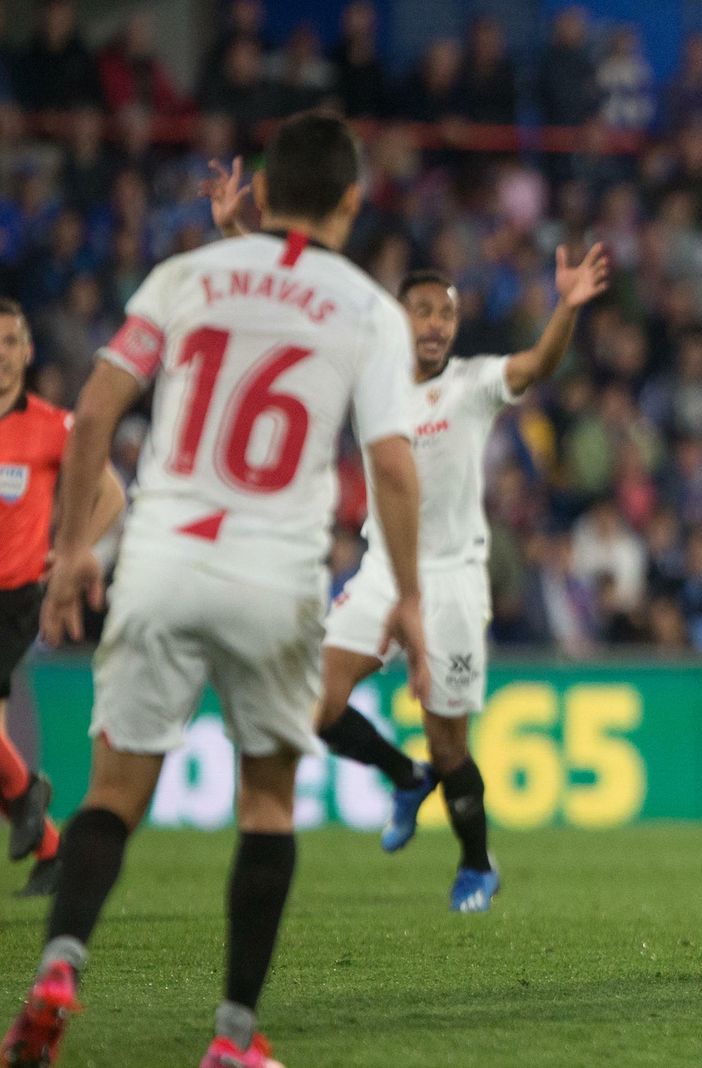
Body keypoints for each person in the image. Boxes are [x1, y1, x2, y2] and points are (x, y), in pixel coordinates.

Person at [3, 112, 428, 1068]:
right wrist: (406, 595)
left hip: (158, 561)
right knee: (267, 805)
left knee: (114, 793)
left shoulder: (185, 275)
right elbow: (395, 469)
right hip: (273, 576)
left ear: (263, 191)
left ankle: (58, 972)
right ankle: (234, 1037)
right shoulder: (368, 310)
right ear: (353, 200)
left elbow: (94, 413)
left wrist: (71, 551)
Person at [205, 158, 611, 913]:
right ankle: (402, 775)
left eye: (445, 314)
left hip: (452, 578)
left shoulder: (472, 384)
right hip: (383, 572)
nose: (434, 324)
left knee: (449, 741)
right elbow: (287, 316)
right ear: (397, 319)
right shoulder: (369, 374)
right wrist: (235, 230)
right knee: (316, 705)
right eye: (421, 310)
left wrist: (565, 309)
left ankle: (476, 862)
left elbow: (536, 365)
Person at [0, 298, 124, 899]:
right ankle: (51, 850)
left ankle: (30, 795)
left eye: (10, 342)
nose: (1, 355)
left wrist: (71, 552)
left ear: (27, 352)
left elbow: (111, 495)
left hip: (16, 596)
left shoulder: (54, 426)